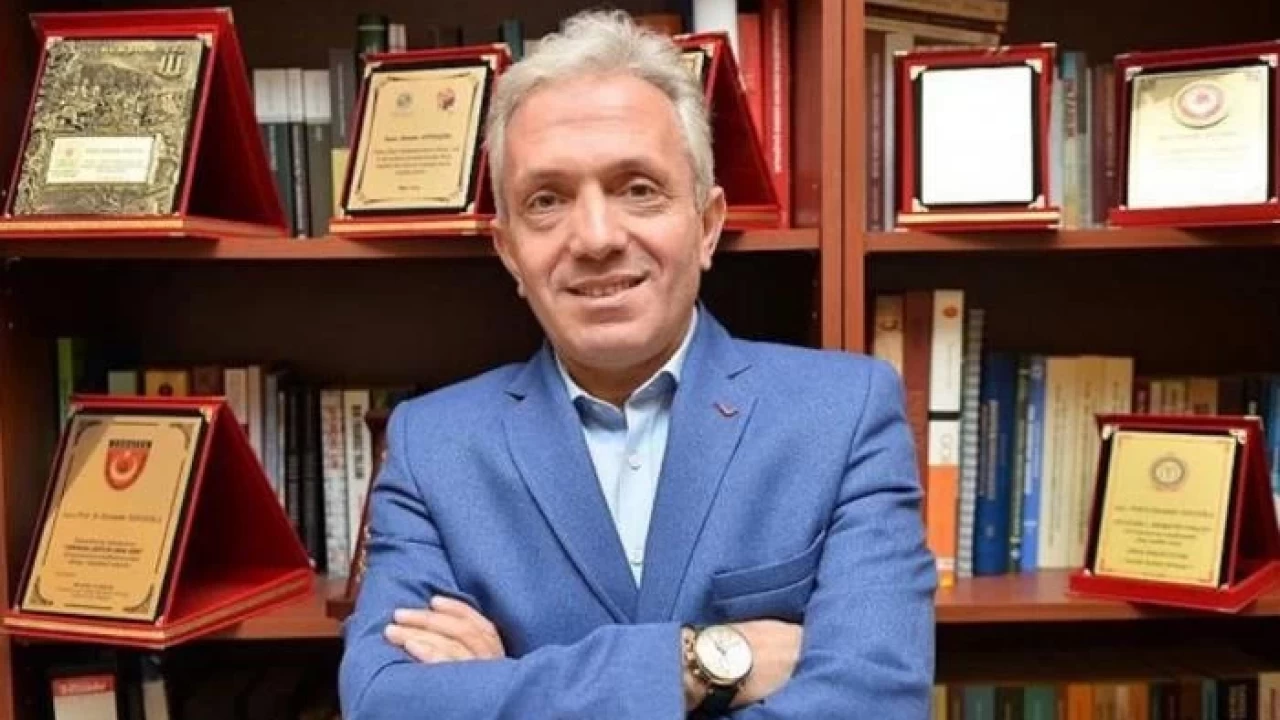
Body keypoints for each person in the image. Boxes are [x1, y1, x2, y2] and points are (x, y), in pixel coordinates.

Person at [338, 9, 936, 719]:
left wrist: (504, 689)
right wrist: (704, 661)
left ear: (707, 225)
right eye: (547, 200)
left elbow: (874, 701)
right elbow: (385, 703)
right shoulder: (431, 447)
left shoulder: (845, 414)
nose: (596, 238)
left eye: (638, 189)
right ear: (510, 252)